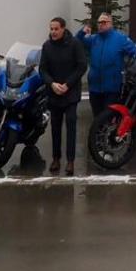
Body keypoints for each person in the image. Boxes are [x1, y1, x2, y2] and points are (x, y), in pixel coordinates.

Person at [38, 16, 88, 175]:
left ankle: (70, 161)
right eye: (51, 29)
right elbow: (42, 69)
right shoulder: (47, 46)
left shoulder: (75, 44)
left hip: (70, 92)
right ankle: (56, 158)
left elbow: (82, 66)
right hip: (54, 92)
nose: (53, 32)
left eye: (56, 29)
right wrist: (52, 84)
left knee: (71, 125)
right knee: (55, 127)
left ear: (63, 29)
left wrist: (67, 84)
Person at [78, 12, 136, 135]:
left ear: (111, 24)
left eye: (104, 22)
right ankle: (98, 141)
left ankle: (108, 140)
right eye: (99, 22)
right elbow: (77, 41)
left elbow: (135, 53)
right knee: (97, 119)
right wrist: (82, 32)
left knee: (108, 118)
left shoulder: (120, 39)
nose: (101, 24)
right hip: (95, 87)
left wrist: (130, 69)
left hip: (112, 87)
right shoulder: (94, 39)